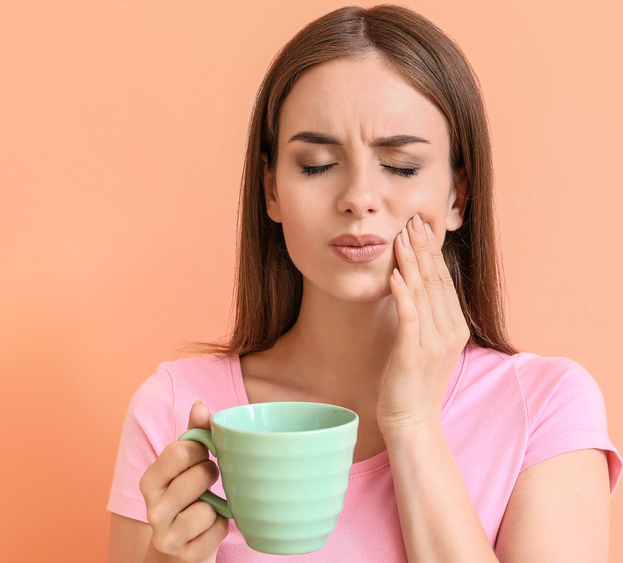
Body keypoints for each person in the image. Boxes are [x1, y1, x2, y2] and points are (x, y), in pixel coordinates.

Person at [106, 5, 622, 562]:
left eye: (400, 166)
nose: (358, 197)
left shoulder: (546, 408)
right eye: (316, 164)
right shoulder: (176, 409)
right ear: (271, 190)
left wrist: (413, 426)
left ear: (458, 195)